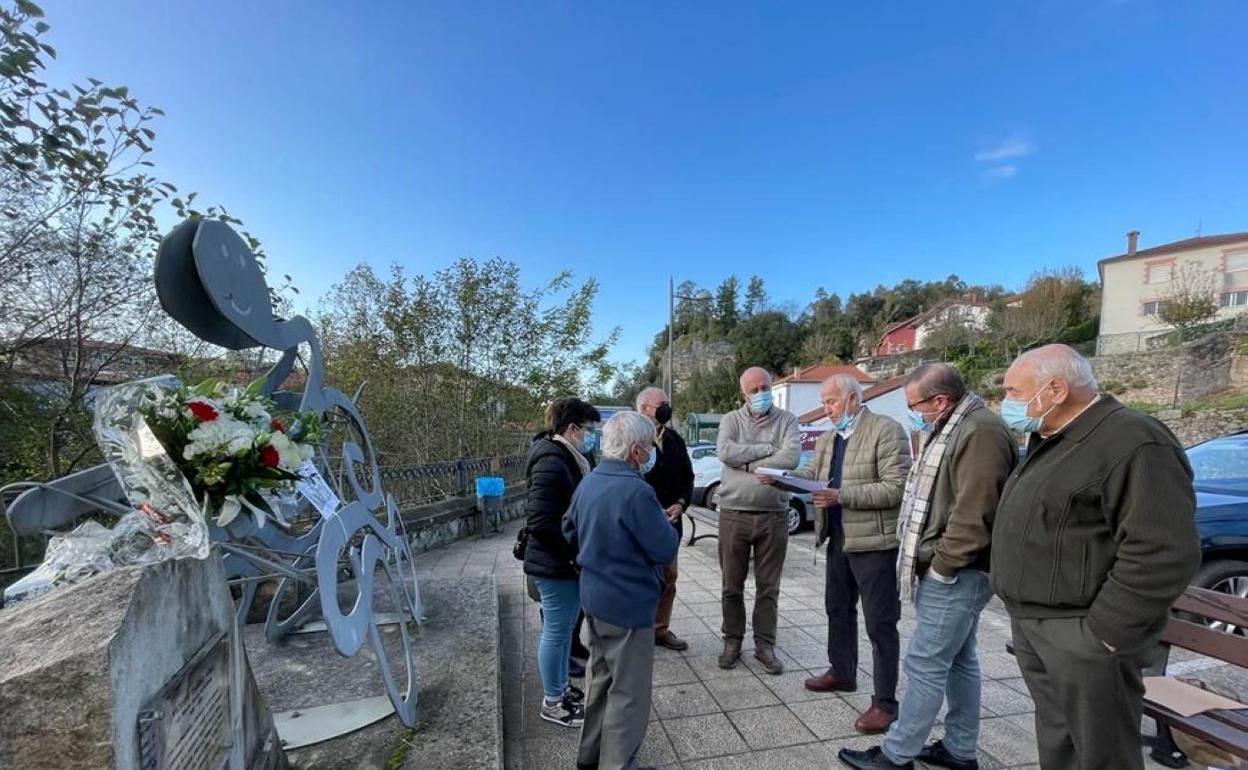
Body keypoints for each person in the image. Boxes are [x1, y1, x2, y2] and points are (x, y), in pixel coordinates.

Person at [991, 345, 1200, 770]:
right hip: (1036, 624)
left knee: (1103, 755)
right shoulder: (1054, 439)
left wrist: (1104, 633)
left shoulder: (1134, 440)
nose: (1006, 402)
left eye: (1014, 391)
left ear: (1055, 389)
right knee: (1060, 743)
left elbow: (1163, 550)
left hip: (1084, 633)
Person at [839, 363, 1016, 770]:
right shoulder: (958, 425)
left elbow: (975, 512)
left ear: (940, 400)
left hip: (958, 570)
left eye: (914, 405)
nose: (912, 413)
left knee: (925, 662)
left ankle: (896, 754)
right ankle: (959, 749)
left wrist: (942, 567)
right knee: (959, 659)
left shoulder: (980, 432)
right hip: (959, 568)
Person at [761, 373, 910, 734]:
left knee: (880, 623)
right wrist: (781, 477)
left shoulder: (886, 430)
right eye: (824, 402)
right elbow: (812, 474)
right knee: (837, 610)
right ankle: (842, 672)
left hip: (875, 543)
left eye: (830, 402)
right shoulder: (829, 437)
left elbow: (896, 487)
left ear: (853, 400)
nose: (825, 410)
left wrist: (841, 496)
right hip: (839, 538)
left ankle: (885, 703)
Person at [564, 411, 679, 770]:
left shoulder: (591, 480)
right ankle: (617, 764)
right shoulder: (636, 491)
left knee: (600, 679)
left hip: (595, 597)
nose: (650, 453)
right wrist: (662, 522)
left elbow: (569, 529)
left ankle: (590, 756)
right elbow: (664, 549)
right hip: (628, 604)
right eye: (647, 447)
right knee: (629, 691)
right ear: (635, 451)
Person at [715, 366, 801, 674]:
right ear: (743, 394)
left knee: (769, 587)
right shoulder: (730, 420)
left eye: (764, 387)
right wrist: (766, 452)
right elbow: (724, 451)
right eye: (753, 390)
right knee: (731, 585)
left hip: (774, 515)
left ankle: (765, 645)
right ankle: (732, 640)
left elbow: (790, 457)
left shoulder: (788, 420)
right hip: (733, 513)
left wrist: (746, 461)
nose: (760, 393)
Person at [522, 397, 601, 727]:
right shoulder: (553, 462)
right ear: (572, 428)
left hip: (561, 563)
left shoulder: (566, 457)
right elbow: (541, 521)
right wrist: (574, 552)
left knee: (563, 630)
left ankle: (561, 688)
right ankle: (553, 702)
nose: (591, 435)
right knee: (555, 633)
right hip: (555, 565)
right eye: (588, 429)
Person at [635, 386, 695, 651]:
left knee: (668, 580)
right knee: (641, 582)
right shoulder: (631, 439)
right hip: (639, 527)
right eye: (663, 403)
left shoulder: (674, 439)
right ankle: (637, 633)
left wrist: (681, 504)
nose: (667, 407)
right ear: (645, 408)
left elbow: (688, 477)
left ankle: (660, 629)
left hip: (670, 525)